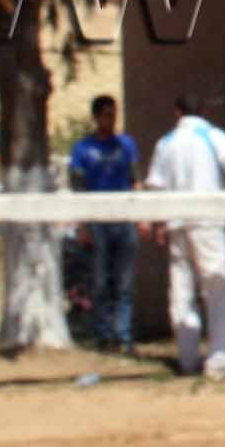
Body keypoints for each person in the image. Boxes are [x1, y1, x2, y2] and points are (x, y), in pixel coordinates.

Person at [142, 95, 225, 381]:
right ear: (204, 111)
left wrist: (158, 223)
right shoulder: (213, 136)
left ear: (177, 112)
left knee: (182, 291)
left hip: (177, 222)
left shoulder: (165, 142)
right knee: (217, 290)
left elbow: (155, 186)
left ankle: (187, 358)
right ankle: (218, 361)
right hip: (207, 223)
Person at [67, 96, 142, 355]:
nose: (111, 119)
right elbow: (77, 187)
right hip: (97, 220)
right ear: (97, 117)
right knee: (100, 281)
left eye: (114, 114)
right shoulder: (82, 149)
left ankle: (124, 334)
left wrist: (140, 215)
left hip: (123, 219)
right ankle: (104, 334)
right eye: (107, 114)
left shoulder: (126, 145)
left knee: (125, 281)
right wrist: (82, 224)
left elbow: (135, 180)